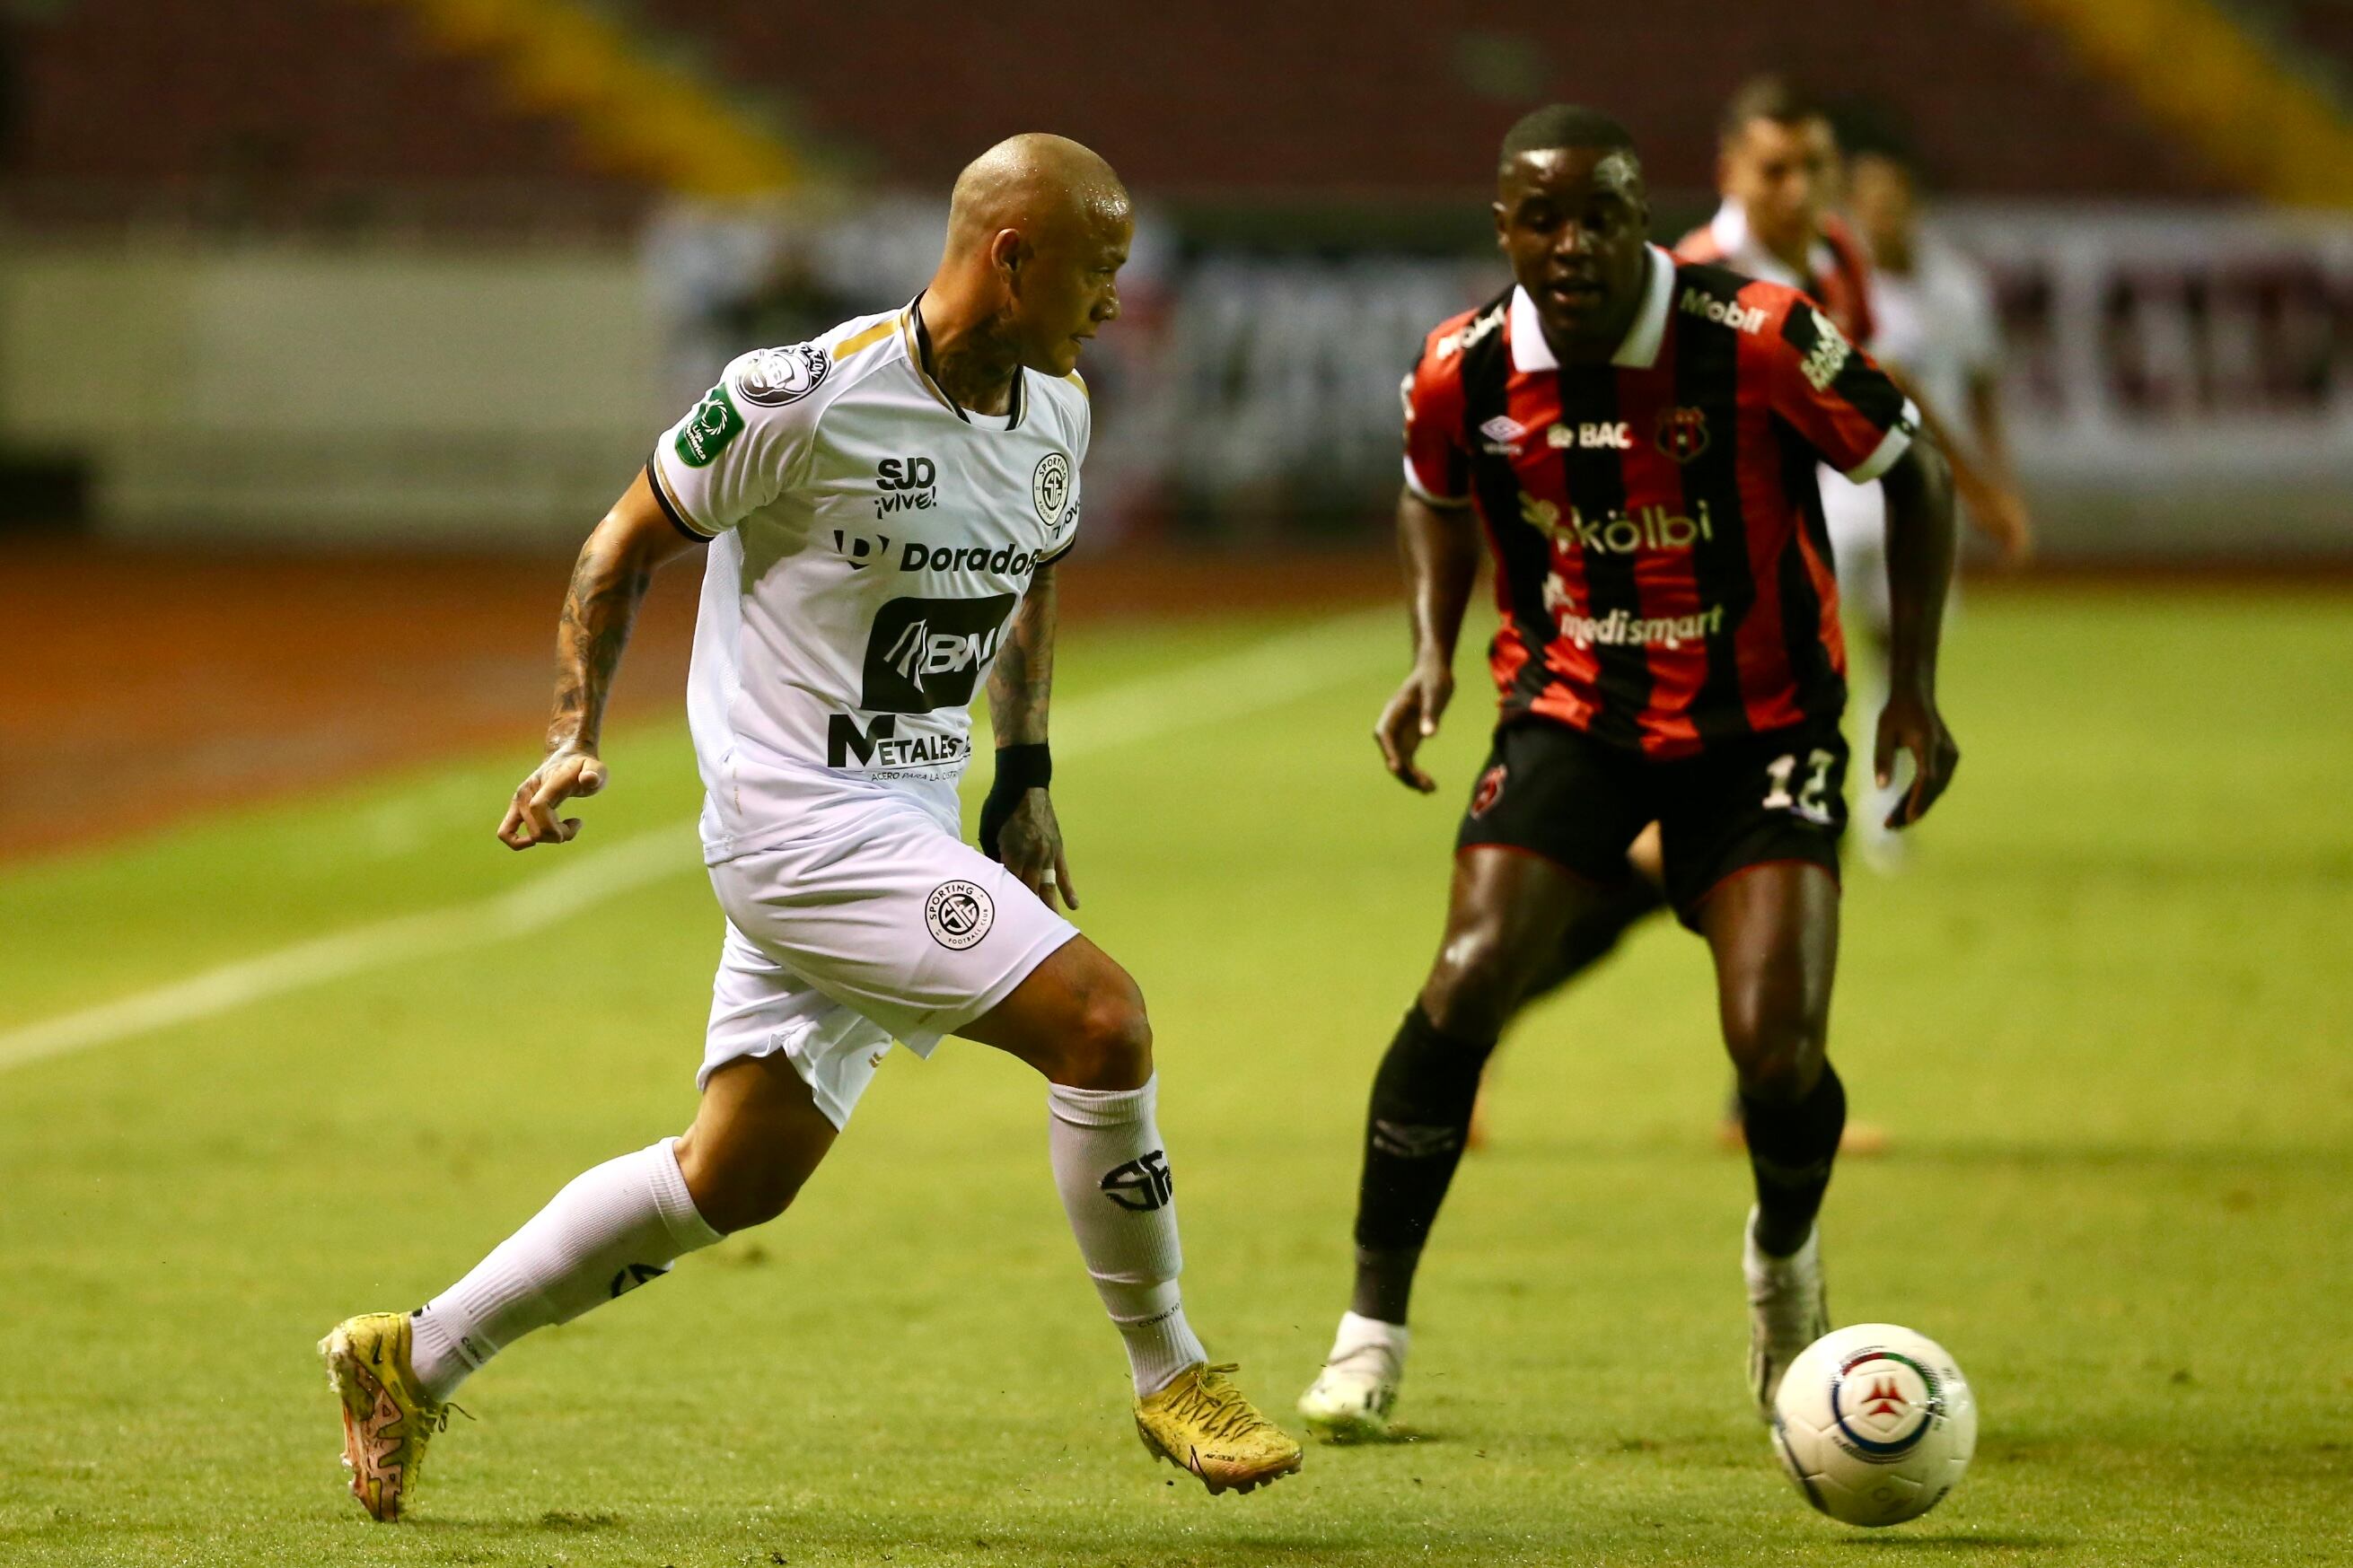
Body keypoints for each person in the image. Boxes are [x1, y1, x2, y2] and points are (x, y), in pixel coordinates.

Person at [318, 134, 1301, 1522]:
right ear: (1011, 253)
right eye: (1101, 265)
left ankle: (411, 1354)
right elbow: (619, 548)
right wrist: (573, 733)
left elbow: (1026, 581)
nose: (1114, 299)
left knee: (737, 1171)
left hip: (905, 818)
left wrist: (1021, 769)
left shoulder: (1058, 410)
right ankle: (1172, 1367)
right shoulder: (803, 396)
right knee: (1103, 1022)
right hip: (796, 827)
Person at [1295, 105, 1961, 1441]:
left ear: (1638, 211)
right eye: (1541, 217)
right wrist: (1432, 653)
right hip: (1571, 713)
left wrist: (1916, 690)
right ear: (1504, 228)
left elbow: (1913, 468)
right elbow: (1430, 492)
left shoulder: (1758, 337)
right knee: (1469, 973)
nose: (1572, 243)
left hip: (1760, 725)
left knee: (1775, 1047)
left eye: (1598, 212)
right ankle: (1369, 1328)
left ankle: (1782, 1258)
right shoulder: (1461, 369)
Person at [1831, 116, 2032, 858]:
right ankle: (1810, 800)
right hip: (1832, 493)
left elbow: (1980, 388)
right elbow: (1890, 386)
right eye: (1867, 199)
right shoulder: (1834, 282)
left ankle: (1882, 807)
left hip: (1914, 500)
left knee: (1896, 656)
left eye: (1893, 198)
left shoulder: (1955, 288)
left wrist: (1996, 481)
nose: (1880, 213)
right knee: (1808, 652)